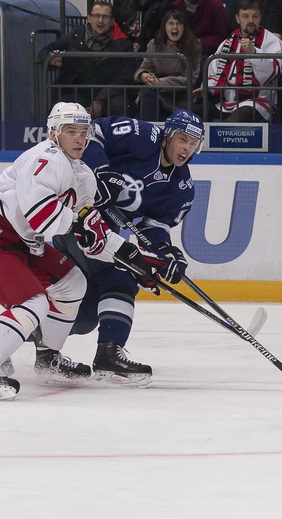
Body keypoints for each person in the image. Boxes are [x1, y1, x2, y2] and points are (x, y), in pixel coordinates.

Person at [0, 102, 166, 400]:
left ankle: (48, 357)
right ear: (53, 133)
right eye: (71, 132)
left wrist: (133, 259)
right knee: (34, 302)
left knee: (72, 282)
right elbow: (40, 215)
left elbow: (94, 237)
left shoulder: (82, 175)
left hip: (21, 243)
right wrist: (79, 223)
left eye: (84, 132)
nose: (79, 139)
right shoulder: (45, 158)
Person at [51, 109, 204, 386]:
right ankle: (109, 354)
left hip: (106, 234)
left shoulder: (182, 186)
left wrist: (164, 252)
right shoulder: (140, 135)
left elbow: (153, 226)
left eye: (193, 144)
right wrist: (99, 172)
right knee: (121, 279)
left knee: (84, 315)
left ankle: (10, 334)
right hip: (78, 218)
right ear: (167, 134)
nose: (186, 148)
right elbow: (94, 133)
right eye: (183, 139)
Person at [38, 0, 138, 117]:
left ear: (112, 21)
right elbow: (44, 51)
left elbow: (123, 78)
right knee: (60, 108)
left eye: (105, 17)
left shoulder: (123, 44)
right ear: (89, 18)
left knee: (120, 105)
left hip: (111, 93)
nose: (100, 21)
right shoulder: (76, 34)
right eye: (96, 16)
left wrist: (101, 99)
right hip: (79, 91)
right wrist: (52, 59)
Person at [202, 0, 282, 122]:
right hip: (227, 103)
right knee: (192, 111)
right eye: (246, 16)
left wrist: (254, 53)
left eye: (255, 16)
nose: (251, 21)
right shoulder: (229, 41)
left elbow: (275, 70)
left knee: (232, 122)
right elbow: (213, 70)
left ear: (260, 18)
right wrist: (207, 87)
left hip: (258, 103)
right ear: (238, 19)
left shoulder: (272, 41)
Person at [135, 8, 203, 121]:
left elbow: (190, 78)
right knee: (149, 94)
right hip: (154, 91)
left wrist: (160, 83)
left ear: (184, 27)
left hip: (178, 96)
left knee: (149, 94)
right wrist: (144, 75)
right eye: (171, 23)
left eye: (179, 24)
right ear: (165, 26)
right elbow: (144, 67)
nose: (174, 27)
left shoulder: (194, 46)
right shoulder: (154, 44)